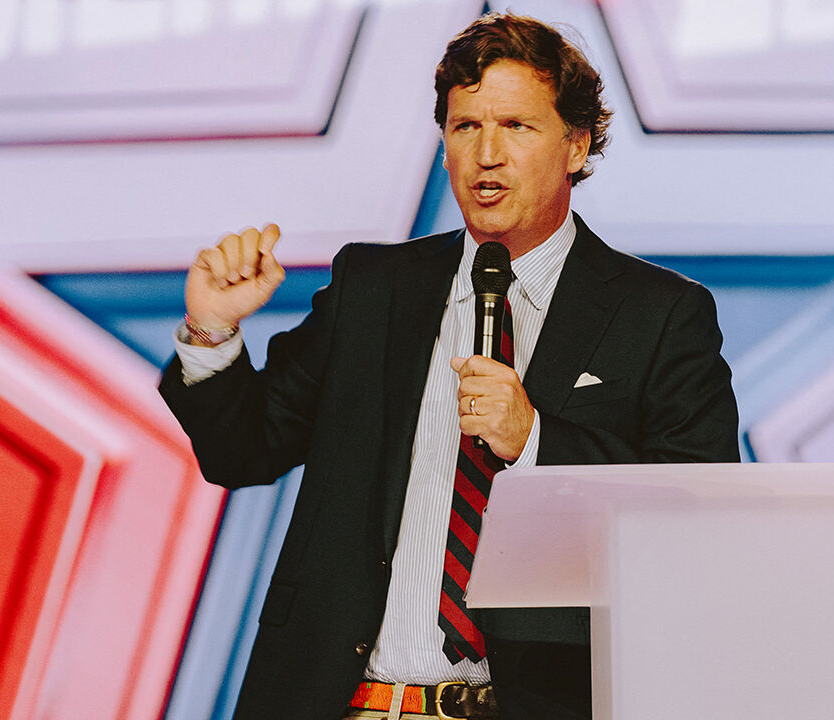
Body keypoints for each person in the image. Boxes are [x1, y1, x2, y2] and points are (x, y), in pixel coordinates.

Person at [160, 12, 739, 720]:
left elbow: (695, 519)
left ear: (576, 145)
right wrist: (212, 329)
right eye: (466, 127)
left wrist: (535, 440)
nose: (486, 154)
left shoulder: (660, 314)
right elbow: (242, 451)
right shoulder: (373, 290)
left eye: (516, 126)